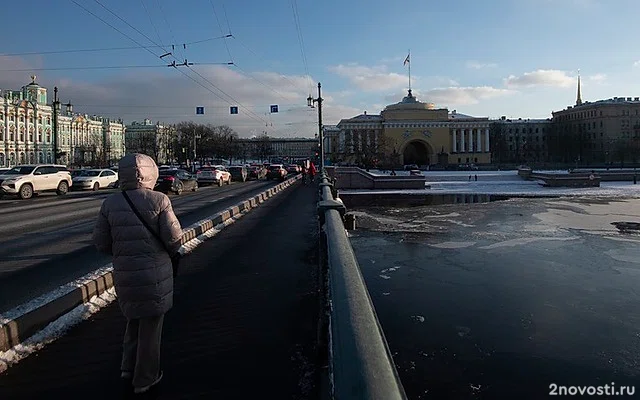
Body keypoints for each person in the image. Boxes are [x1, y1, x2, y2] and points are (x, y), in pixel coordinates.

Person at [92, 153, 183, 394]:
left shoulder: (110, 203)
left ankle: (127, 367)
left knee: (133, 319)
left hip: (125, 274)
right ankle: (145, 378)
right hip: (153, 275)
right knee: (151, 328)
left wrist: (123, 251)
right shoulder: (160, 200)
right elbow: (174, 239)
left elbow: (100, 243)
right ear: (150, 173)